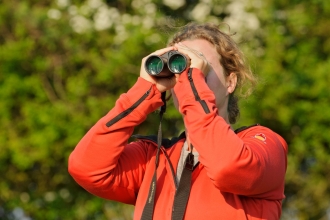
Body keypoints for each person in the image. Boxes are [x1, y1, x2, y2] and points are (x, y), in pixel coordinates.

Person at [68, 23, 288, 219]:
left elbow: (228, 168)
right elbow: (87, 168)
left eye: (201, 68)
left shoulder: (263, 144)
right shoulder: (154, 158)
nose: (187, 77)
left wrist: (192, 82)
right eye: (180, 69)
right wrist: (143, 93)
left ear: (230, 82)